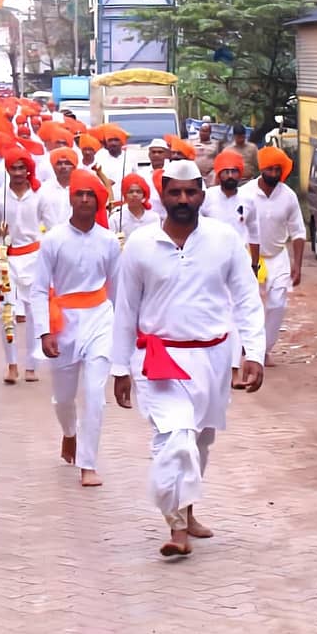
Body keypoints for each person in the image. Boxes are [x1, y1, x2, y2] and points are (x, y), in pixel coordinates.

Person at [111, 160, 265, 558]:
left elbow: (247, 298)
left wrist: (255, 352)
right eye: (175, 192)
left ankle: (186, 509)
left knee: (198, 444)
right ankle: (176, 529)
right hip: (158, 360)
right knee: (173, 440)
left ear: (202, 193)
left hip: (213, 358)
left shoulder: (224, 238)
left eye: (190, 192)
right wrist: (119, 367)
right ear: (161, 194)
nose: (183, 200)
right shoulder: (141, 245)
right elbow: (125, 309)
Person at [32, 169, 119, 487]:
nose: (84, 199)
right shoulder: (53, 239)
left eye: (90, 195)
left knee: (95, 394)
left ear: (98, 201)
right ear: (71, 199)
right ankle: (69, 432)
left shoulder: (109, 241)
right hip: (64, 322)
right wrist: (44, 331)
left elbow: (118, 290)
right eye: (79, 194)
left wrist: (123, 332)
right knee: (64, 398)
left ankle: (88, 463)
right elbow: (39, 288)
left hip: (99, 318)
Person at [0, 146, 53, 385]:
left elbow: (51, 227)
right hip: (7, 261)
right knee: (8, 314)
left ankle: (32, 365)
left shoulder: (40, 194)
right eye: (13, 168)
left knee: (35, 314)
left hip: (35, 259)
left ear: (28, 170)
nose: (17, 173)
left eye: (21, 168)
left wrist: (46, 251)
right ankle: (11, 364)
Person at [240, 147, 305, 367]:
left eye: (279, 169)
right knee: (252, 304)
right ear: (262, 169)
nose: (275, 173)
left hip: (278, 257)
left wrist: (298, 265)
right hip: (250, 257)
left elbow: (298, 233)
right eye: (270, 169)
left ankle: (263, 350)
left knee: (277, 304)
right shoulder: (246, 193)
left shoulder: (288, 196)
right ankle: (248, 346)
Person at [201, 149, 261, 388]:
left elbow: (254, 233)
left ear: (240, 173)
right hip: (209, 263)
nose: (229, 175)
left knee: (236, 316)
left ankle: (234, 370)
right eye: (224, 171)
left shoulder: (248, 200)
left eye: (233, 171)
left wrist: (255, 265)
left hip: (238, 265)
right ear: (218, 173)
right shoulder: (206, 198)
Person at [108, 174, 159, 243]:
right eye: (130, 192)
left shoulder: (154, 218)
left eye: (138, 191)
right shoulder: (115, 218)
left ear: (144, 194)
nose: (134, 195)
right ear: (125, 194)